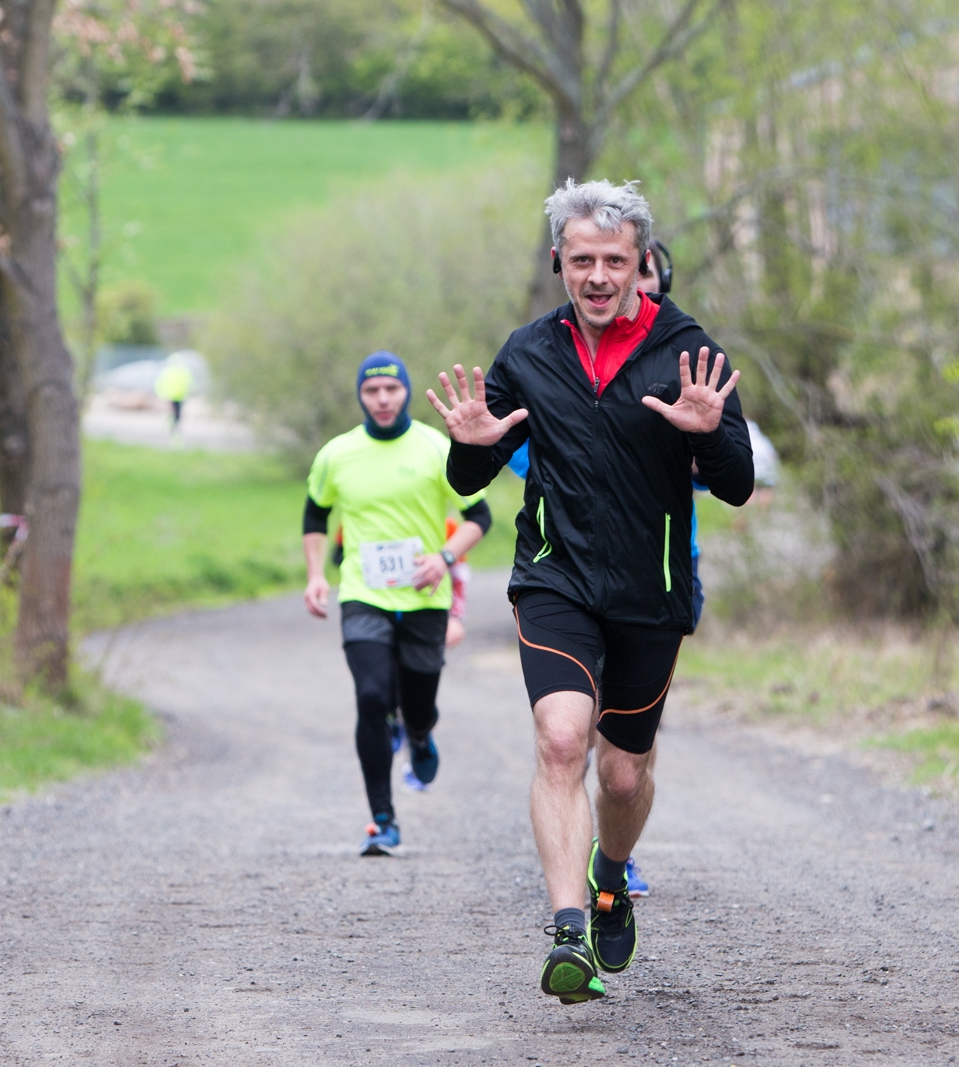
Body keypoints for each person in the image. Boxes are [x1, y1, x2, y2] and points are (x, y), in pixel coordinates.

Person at [428, 180, 752, 1004]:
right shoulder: (529, 352)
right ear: (558, 266)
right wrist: (466, 449)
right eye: (583, 261)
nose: (599, 275)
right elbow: (476, 465)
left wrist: (712, 434)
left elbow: (740, 483)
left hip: (651, 588)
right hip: (556, 578)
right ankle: (569, 927)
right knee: (562, 739)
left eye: (615, 260)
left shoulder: (687, 350)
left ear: (643, 263)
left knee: (621, 775)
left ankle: (610, 876)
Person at [302, 350, 492, 856]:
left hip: (425, 597)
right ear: (360, 396)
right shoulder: (336, 454)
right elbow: (315, 516)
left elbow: (481, 516)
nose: (382, 399)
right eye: (372, 391)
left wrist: (444, 558)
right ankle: (383, 820)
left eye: (391, 389)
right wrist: (317, 575)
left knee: (419, 702)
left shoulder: (435, 447)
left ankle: (421, 734)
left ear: (405, 391)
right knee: (370, 696)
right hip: (363, 594)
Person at [154, 353, 194, 438]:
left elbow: (159, 384)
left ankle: (172, 427)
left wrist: (161, 394)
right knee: (176, 414)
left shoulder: (167, 371)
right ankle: (173, 428)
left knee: (173, 414)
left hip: (172, 396)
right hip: (177, 396)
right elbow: (190, 384)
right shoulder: (183, 372)